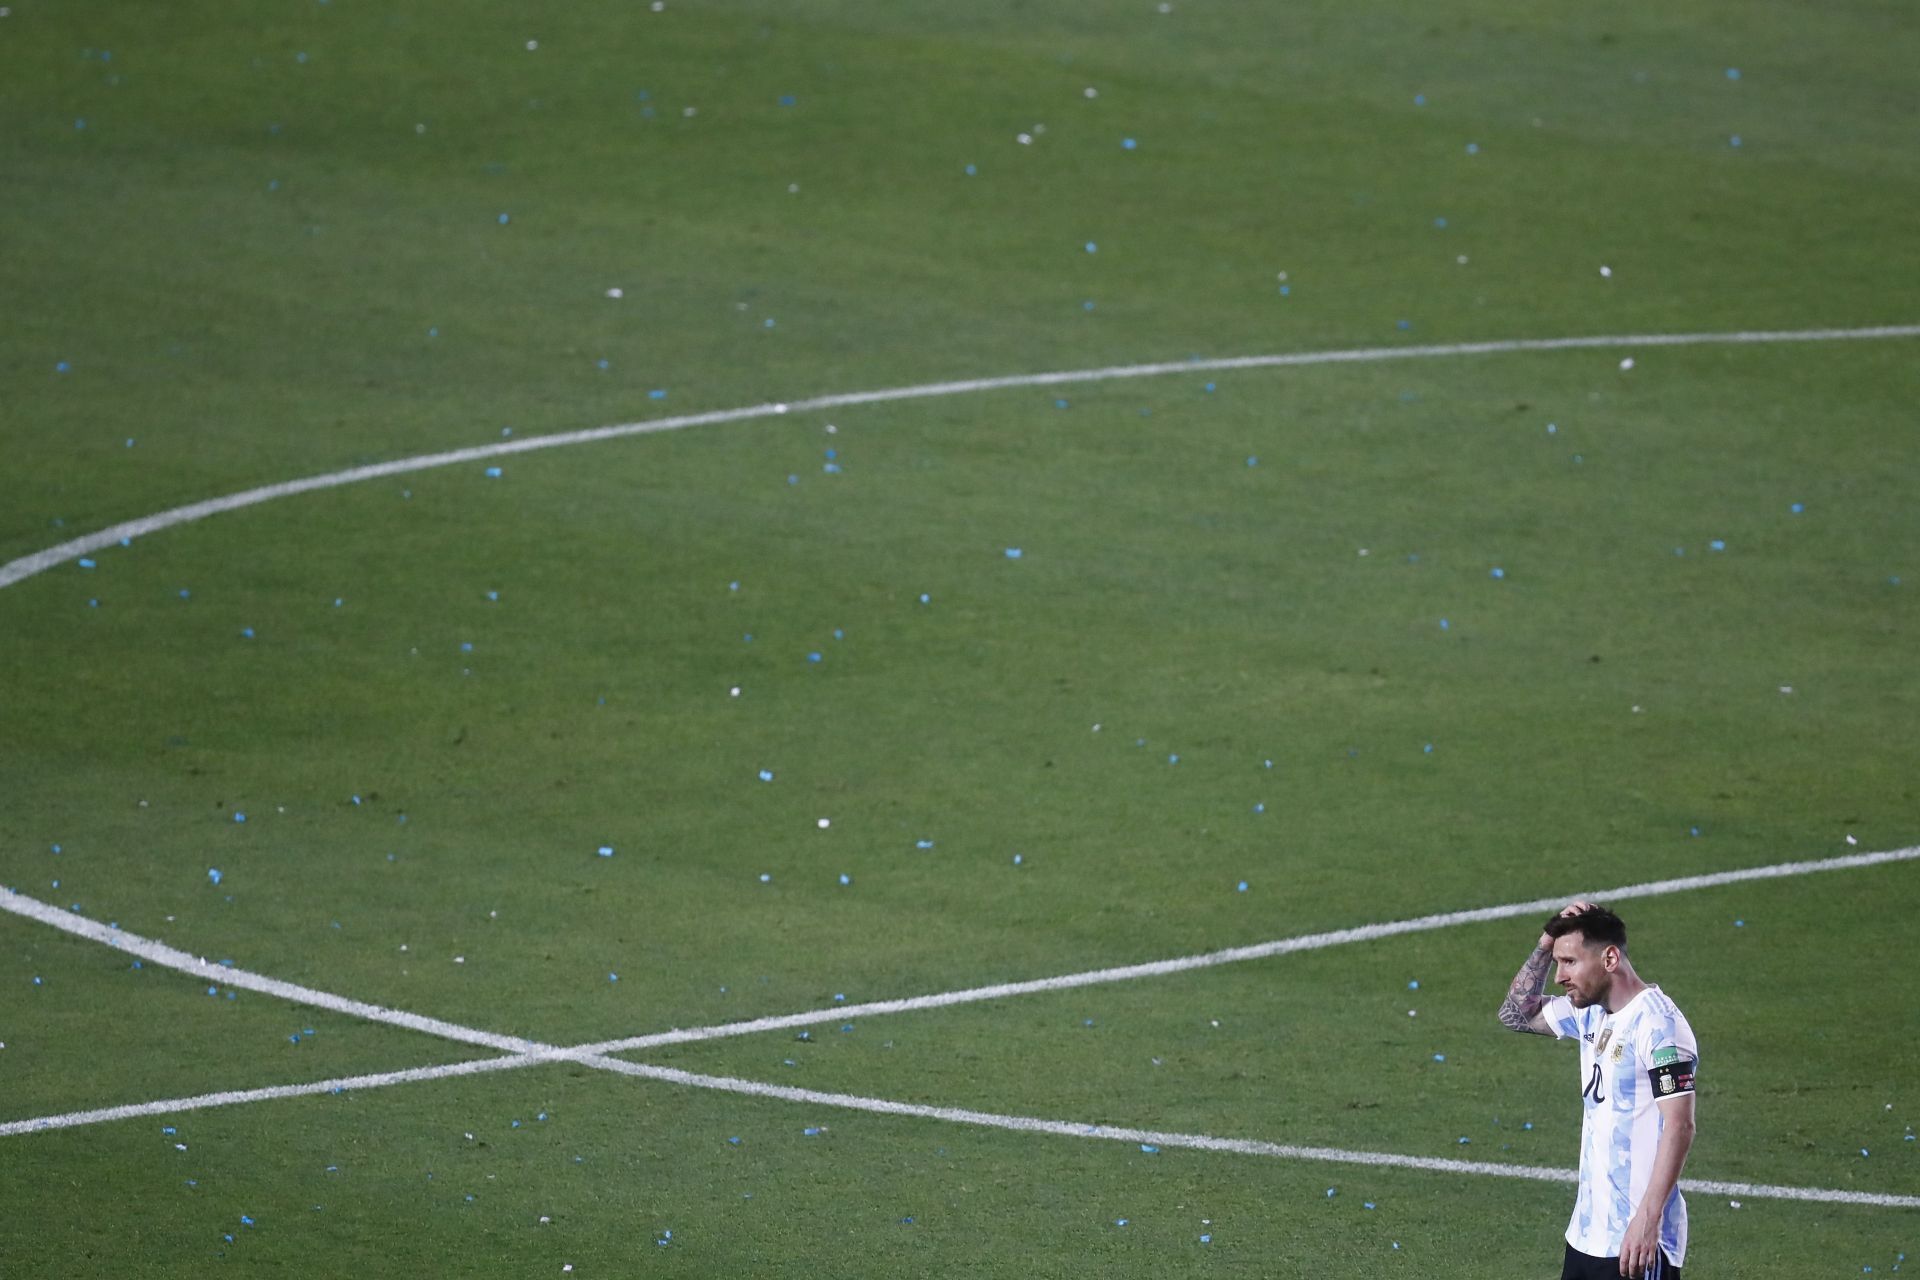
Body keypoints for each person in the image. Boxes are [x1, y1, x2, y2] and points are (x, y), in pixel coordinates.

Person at [1499, 902, 1698, 1279]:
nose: (1559, 976)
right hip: (1586, 1236)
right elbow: (1516, 1013)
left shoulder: (1659, 1025)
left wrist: (1647, 1219)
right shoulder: (1587, 1011)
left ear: (1609, 958)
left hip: (1636, 1244)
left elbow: (1680, 1126)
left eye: (1570, 962)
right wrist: (1546, 941)